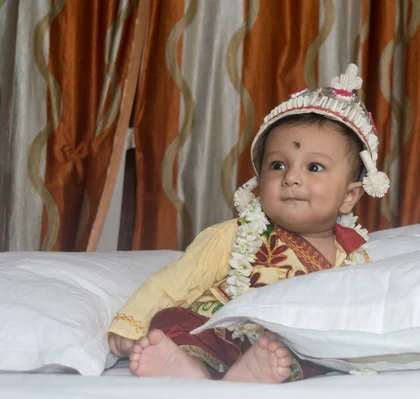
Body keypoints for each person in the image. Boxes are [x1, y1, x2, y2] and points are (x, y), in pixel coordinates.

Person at [106, 64, 390, 383]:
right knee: (171, 318)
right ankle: (189, 368)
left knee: (315, 348)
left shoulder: (352, 259)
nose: (291, 178)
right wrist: (130, 323)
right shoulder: (237, 234)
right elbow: (176, 280)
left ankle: (255, 372)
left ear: (349, 196)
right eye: (277, 164)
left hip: (279, 348)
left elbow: (366, 313)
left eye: (314, 167)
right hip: (217, 333)